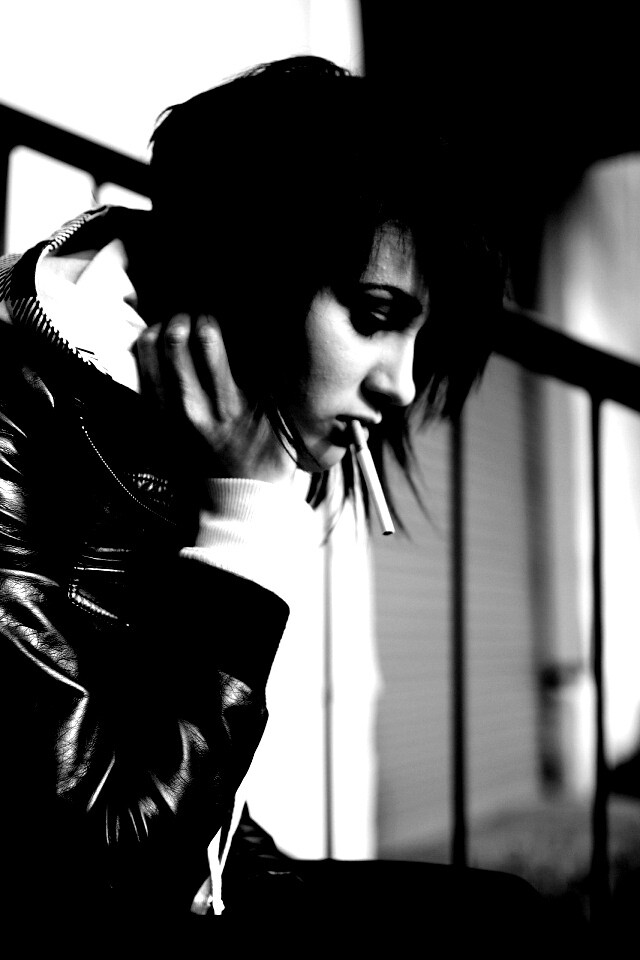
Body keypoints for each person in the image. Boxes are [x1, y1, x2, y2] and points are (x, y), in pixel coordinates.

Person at [0, 55, 546, 941]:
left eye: (418, 337)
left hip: (188, 881)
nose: (402, 386)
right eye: (373, 317)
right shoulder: (18, 418)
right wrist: (240, 527)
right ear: (247, 270)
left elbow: (193, 815)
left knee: (500, 913)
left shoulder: (190, 419)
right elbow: (108, 872)